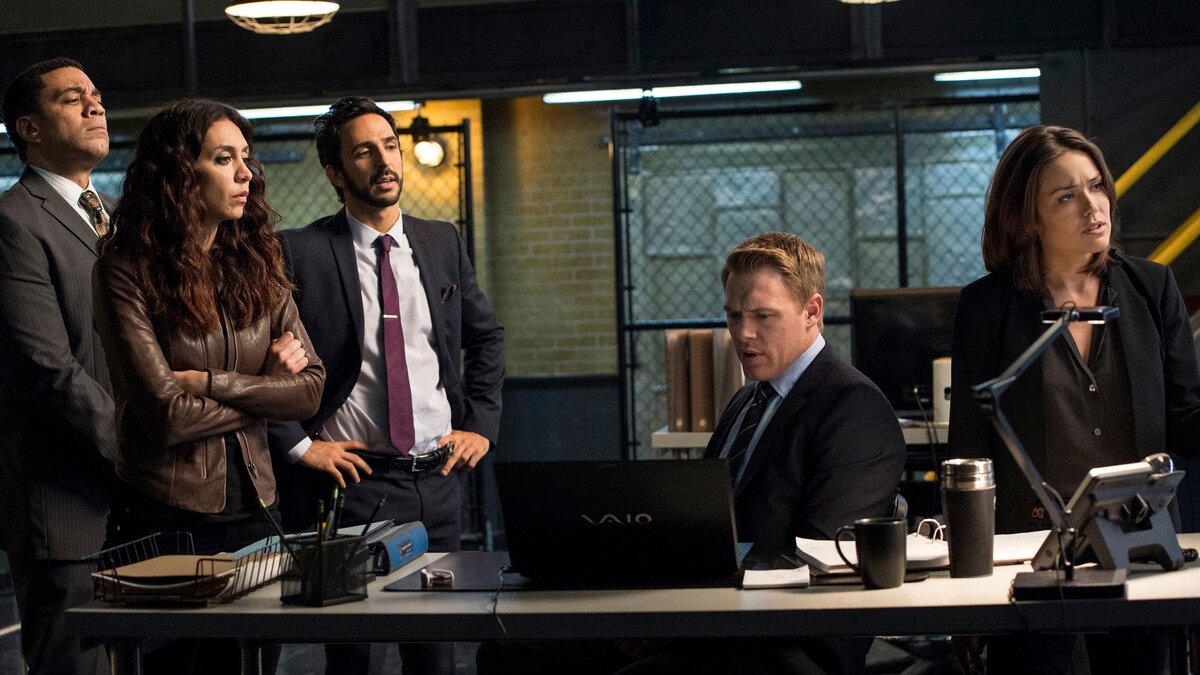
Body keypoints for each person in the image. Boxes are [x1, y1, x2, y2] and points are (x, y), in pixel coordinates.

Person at [478, 232, 905, 675]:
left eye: (763, 316)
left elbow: (818, 562)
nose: (743, 333)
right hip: (708, 619)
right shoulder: (749, 399)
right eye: (733, 315)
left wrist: (674, 625)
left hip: (779, 642)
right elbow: (704, 530)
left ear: (812, 311)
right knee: (509, 651)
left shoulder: (853, 408)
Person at [948, 124, 1200, 674]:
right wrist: (964, 585)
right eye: (1067, 196)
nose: (1093, 206)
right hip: (1027, 549)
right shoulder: (987, 306)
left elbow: (1185, 420)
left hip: (1138, 538)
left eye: (1096, 186)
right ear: (1027, 218)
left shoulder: (1153, 288)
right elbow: (969, 447)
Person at [268, 95, 504, 675]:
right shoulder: (299, 251)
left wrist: (480, 425)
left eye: (390, 146)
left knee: (435, 656)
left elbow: (486, 337)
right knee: (349, 654)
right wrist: (298, 444)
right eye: (363, 152)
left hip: (436, 482)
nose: (383, 161)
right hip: (348, 482)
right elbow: (261, 365)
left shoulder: (441, 241)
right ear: (335, 172)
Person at [92, 98, 327, 673]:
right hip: (167, 516)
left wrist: (210, 382)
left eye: (245, 157)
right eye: (225, 159)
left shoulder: (259, 261)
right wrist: (265, 388)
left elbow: (310, 389)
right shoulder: (125, 268)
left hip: (259, 511)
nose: (247, 173)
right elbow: (166, 416)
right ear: (179, 172)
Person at [0, 57, 116, 675]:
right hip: (67, 510)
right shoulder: (13, 220)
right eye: (73, 99)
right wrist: (143, 450)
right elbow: (47, 368)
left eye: (95, 95)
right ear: (30, 128)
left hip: (138, 503)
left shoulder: (115, 215)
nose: (96, 105)